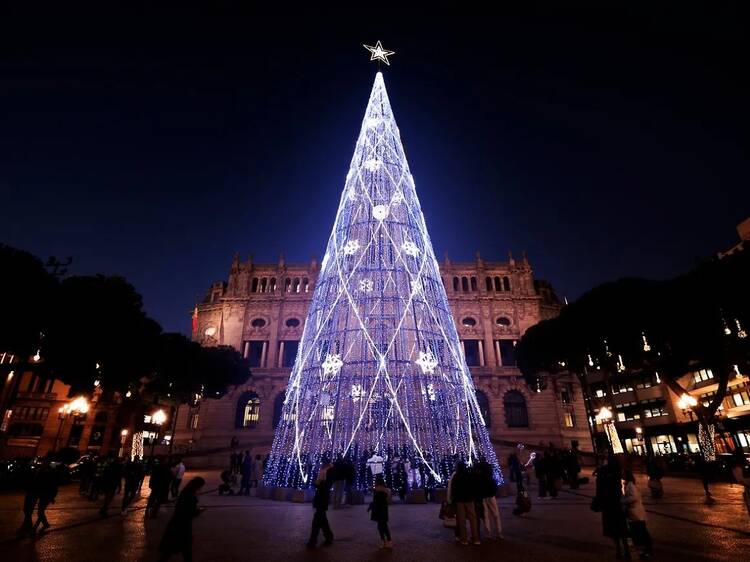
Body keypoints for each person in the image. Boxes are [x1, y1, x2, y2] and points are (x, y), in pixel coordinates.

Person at [159, 477, 206, 562]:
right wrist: (199, 511)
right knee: (183, 549)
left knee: (170, 551)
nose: (201, 488)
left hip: (176, 524)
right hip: (182, 526)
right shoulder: (190, 497)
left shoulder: (185, 493)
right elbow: (189, 512)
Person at [593, 454, 630, 559]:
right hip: (618, 502)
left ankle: (618, 550)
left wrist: (599, 500)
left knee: (613, 528)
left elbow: (599, 488)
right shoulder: (619, 470)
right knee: (622, 528)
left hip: (608, 503)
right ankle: (626, 550)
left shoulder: (603, 471)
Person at [621, 470, 653, 558]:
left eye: (623, 474)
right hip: (634, 513)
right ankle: (646, 550)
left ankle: (648, 550)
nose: (621, 475)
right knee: (640, 532)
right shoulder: (628, 484)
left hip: (636, 513)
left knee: (641, 532)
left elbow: (634, 497)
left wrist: (623, 501)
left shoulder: (630, 485)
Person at [448, 461, 480, 546]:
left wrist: (452, 500)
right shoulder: (469, 475)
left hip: (460, 501)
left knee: (461, 521)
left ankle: (464, 539)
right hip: (469, 499)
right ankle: (476, 538)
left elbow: (453, 489)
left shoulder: (456, 476)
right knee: (473, 519)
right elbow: (473, 487)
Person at [306, 459, 334, 548]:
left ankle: (312, 541)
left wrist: (317, 483)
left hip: (321, 499)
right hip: (322, 499)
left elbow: (321, 485)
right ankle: (329, 536)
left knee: (317, 521)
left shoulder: (325, 473)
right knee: (322, 520)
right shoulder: (328, 472)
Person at [33, 461, 59, 534]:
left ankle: (36, 526)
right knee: (40, 511)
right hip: (44, 495)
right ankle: (45, 524)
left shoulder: (51, 474)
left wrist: (52, 497)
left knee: (40, 511)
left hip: (46, 495)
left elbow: (53, 487)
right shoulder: (46, 473)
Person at [479, 460, 502, 540]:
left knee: (486, 515)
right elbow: (494, 486)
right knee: (495, 514)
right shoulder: (490, 476)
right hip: (490, 495)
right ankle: (499, 532)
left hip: (483, 496)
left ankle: (488, 533)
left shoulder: (480, 477)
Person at [368, 474, 393, 548]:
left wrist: (370, 507)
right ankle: (388, 541)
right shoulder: (385, 491)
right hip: (383, 510)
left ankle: (385, 541)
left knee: (381, 527)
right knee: (384, 526)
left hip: (378, 511)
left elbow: (375, 501)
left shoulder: (377, 491)